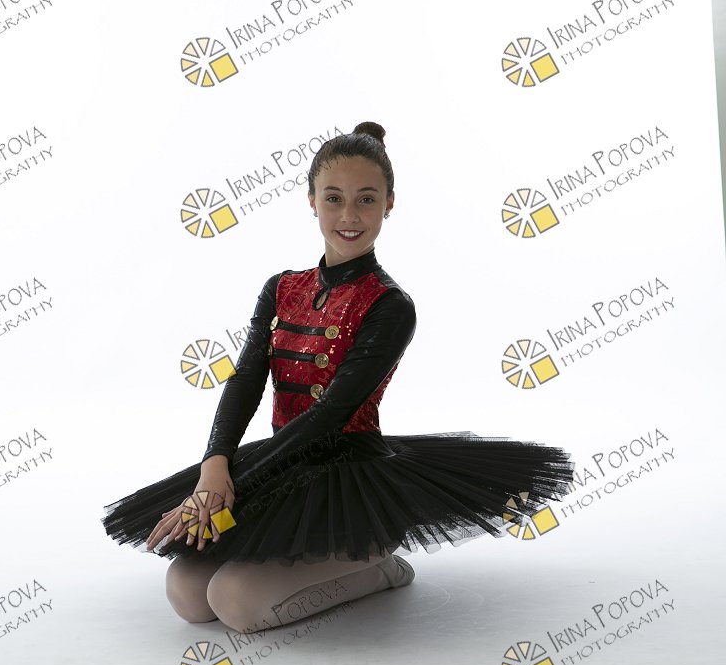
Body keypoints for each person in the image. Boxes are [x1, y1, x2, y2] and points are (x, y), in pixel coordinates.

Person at [101, 121, 575, 634]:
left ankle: (380, 567)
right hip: (280, 462)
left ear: (389, 203)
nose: (349, 216)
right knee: (188, 594)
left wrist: (232, 487)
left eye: (366, 199)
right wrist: (214, 469)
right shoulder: (281, 288)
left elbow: (330, 415)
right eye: (334, 198)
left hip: (349, 476)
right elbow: (245, 380)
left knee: (235, 603)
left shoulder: (390, 305)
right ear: (311, 201)